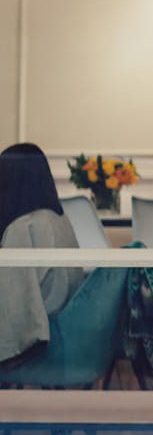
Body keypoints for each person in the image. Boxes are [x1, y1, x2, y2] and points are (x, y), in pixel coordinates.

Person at [0, 143, 85, 365]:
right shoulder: (58, 218)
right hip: (67, 322)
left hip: (40, 337)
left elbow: (14, 307)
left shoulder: (22, 227)